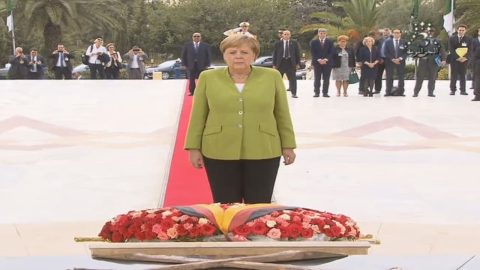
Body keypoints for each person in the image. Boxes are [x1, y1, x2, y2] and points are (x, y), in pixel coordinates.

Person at [184, 34, 296, 204]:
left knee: (258, 206)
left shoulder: (272, 76)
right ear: (224, 55)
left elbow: (282, 114)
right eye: (232, 52)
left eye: (244, 52)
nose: (238, 56)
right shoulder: (208, 78)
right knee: (226, 206)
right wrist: (193, 148)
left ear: (254, 55)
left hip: (264, 149)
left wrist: (288, 145)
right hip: (218, 149)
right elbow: (198, 115)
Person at [412, 28, 446, 97]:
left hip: (434, 62)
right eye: (427, 31)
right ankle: (416, 92)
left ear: (433, 33)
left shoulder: (438, 41)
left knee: (432, 78)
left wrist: (443, 59)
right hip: (423, 62)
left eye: (431, 31)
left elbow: (442, 50)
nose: (429, 33)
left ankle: (430, 92)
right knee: (420, 78)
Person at [272, 30, 301, 98]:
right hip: (280, 63)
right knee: (278, 79)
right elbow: (275, 55)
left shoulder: (294, 43)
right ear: (282, 35)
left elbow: (297, 54)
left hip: (290, 63)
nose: (286, 35)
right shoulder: (278, 43)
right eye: (285, 34)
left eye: (288, 34)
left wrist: (297, 63)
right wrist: (274, 64)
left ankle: (294, 93)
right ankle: (277, 94)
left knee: (293, 79)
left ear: (290, 35)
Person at [310, 28, 334, 97]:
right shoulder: (313, 42)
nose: (322, 34)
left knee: (326, 78)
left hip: (327, 63)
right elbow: (313, 53)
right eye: (320, 33)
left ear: (326, 34)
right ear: (318, 34)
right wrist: (319, 59)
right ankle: (316, 92)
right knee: (317, 78)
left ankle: (325, 92)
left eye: (324, 33)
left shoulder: (330, 42)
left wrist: (326, 59)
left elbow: (331, 52)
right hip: (317, 63)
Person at [448, 24, 471, 95]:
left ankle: (463, 90)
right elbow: (451, 49)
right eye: (460, 30)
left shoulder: (469, 39)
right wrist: (458, 57)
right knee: (454, 75)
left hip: (464, 60)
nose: (461, 31)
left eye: (463, 30)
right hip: (454, 60)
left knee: (463, 75)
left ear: (465, 31)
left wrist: (465, 57)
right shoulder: (452, 38)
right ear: (457, 30)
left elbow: (470, 49)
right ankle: (453, 90)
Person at [384, 29, 407, 96]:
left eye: (398, 33)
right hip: (390, 62)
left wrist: (400, 59)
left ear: (400, 34)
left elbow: (406, 52)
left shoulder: (404, 42)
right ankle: (388, 92)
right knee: (389, 77)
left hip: (401, 62)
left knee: (401, 77)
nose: (396, 34)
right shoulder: (388, 42)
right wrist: (393, 59)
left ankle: (401, 92)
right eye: (395, 33)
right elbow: (386, 52)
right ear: (393, 34)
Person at [375, 28, 391, 94]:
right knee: (378, 75)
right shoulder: (379, 41)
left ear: (390, 33)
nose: (386, 34)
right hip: (380, 59)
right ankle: (377, 89)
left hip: (389, 60)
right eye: (385, 32)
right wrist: (379, 58)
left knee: (389, 75)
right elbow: (376, 50)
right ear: (383, 33)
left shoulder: (392, 40)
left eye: (387, 33)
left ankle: (388, 90)